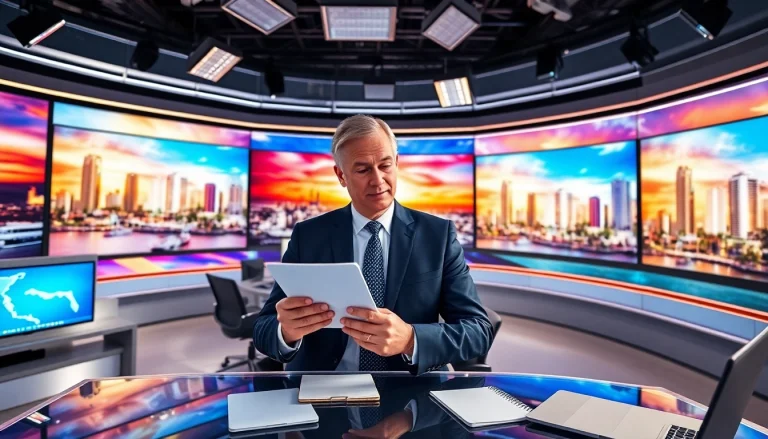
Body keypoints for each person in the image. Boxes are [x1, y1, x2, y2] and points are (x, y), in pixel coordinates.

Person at [252, 114, 492, 375]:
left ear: (396, 163)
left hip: (409, 384)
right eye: (363, 170)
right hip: (323, 384)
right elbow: (263, 330)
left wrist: (411, 339)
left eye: (385, 166)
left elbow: (478, 331)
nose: (378, 180)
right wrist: (285, 332)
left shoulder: (438, 236)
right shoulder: (308, 236)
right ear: (341, 176)